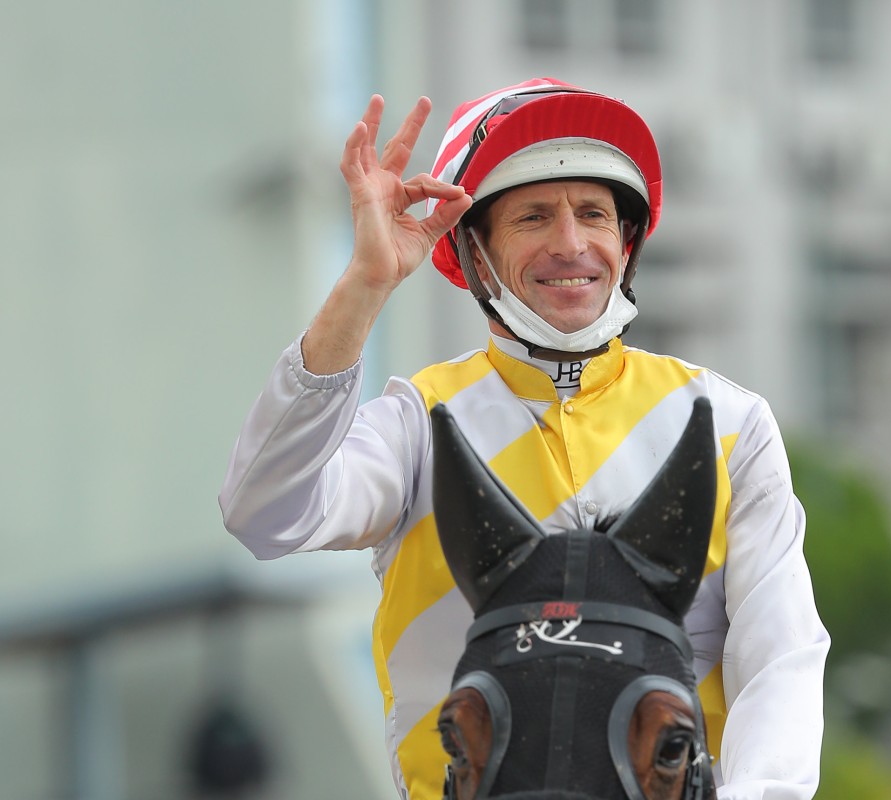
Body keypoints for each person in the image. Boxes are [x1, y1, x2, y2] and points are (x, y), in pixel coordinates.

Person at [219, 77, 829, 800]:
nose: (570, 244)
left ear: (626, 241)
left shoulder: (730, 425)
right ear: (475, 250)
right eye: (534, 217)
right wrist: (366, 284)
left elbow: (779, 656)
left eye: (594, 215)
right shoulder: (419, 424)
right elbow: (263, 512)